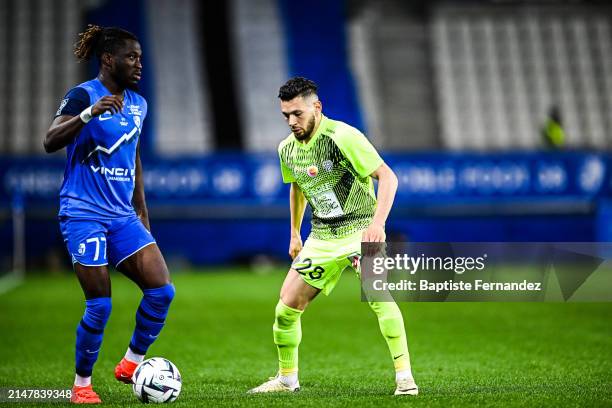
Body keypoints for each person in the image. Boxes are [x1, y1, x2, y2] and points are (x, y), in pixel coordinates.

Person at [248, 77, 418, 396]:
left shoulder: (342, 136)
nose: (291, 121)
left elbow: (388, 177)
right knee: (285, 309)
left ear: (317, 107)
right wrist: (294, 234)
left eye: (297, 113)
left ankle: (405, 380)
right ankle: (287, 380)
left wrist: (378, 225)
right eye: (285, 115)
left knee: (379, 298)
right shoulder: (286, 149)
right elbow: (297, 186)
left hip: (360, 230)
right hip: (322, 238)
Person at [44, 25, 174, 404]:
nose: (139, 64)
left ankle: (132, 363)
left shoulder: (139, 104)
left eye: (140, 58)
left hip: (122, 216)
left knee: (162, 291)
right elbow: (50, 141)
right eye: (131, 57)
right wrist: (88, 113)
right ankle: (82, 386)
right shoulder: (82, 95)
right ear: (108, 59)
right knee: (100, 303)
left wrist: (142, 217)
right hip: (83, 212)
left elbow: (133, 159)